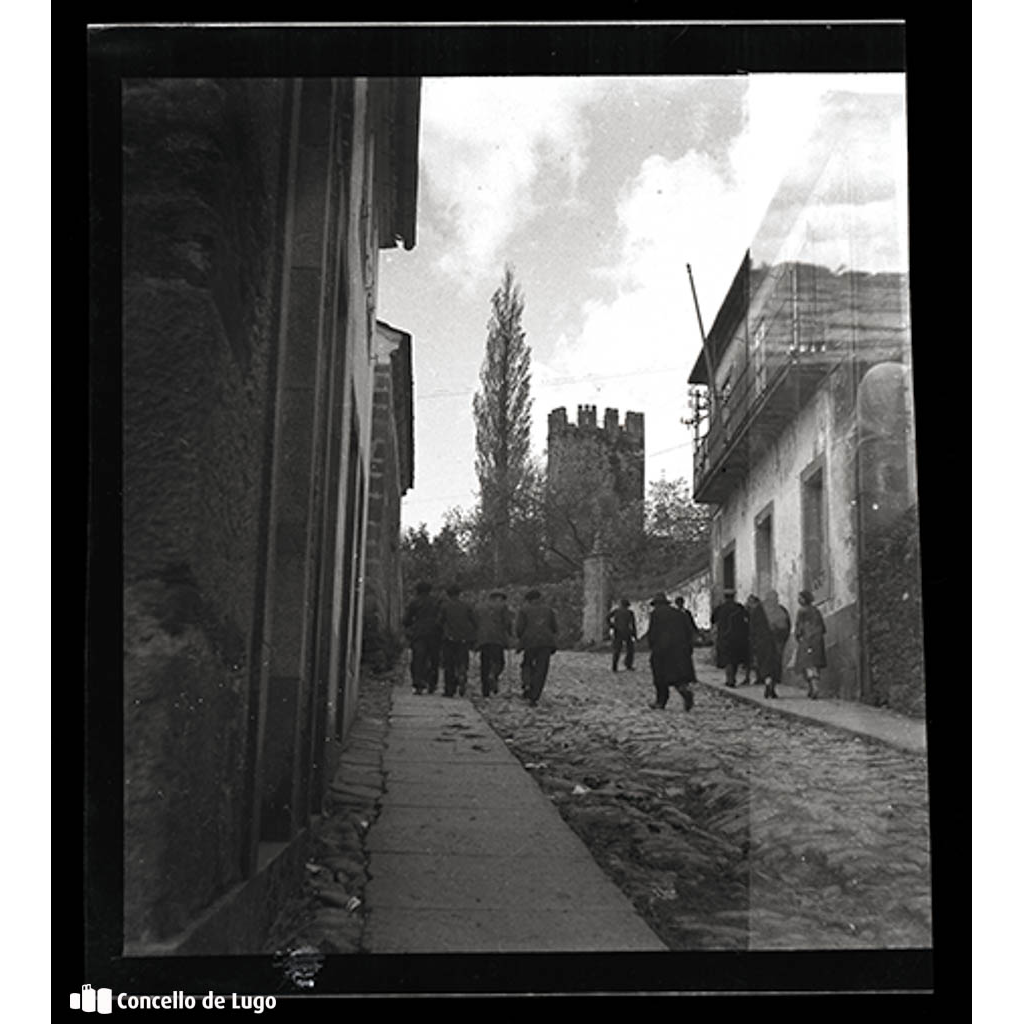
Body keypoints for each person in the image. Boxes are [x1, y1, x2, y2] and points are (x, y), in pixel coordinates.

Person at [645, 593, 696, 711]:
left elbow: (653, 632)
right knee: (678, 675)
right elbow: (689, 632)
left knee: (660, 676)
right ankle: (684, 691)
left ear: (657, 604)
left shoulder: (656, 614)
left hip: (662, 650)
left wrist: (652, 646)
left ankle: (661, 701)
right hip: (680, 650)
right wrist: (688, 648)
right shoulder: (680, 614)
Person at [515, 589, 559, 707]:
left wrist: (521, 639)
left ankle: (527, 682)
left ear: (528, 600)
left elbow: (519, 628)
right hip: (546, 642)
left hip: (529, 642)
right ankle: (534, 696)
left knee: (527, 663)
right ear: (539, 598)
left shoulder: (523, 610)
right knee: (542, 668)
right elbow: (554, 627)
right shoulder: (548, 610)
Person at [438, 584, 478, 697]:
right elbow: (475, 621)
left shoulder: (445, 606)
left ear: (448, 594)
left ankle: (449, 689)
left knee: (449, 664)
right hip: (464, 639)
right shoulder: (467, 606)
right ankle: (462, 673)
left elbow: (439, 622)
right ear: (459, 594)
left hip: (449, 638)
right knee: (463, 660)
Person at [402, 581, 442, 694]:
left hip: (419, 634)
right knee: (434, 658)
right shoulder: (436, 602)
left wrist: (409, 627)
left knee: (418, 658)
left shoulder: (414, 602)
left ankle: (418, 683)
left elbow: (406, 619)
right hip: (434, 633)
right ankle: (432, 683)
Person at [475, 590, 514, 696]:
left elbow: (475, 622)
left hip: (483, 639)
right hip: (497, 639)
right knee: (499, 662)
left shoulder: (480, 607)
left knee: (485, 664)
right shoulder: (502, 607)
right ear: (500, 599)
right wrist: (510, 634)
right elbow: (507, 623)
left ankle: (485, 691)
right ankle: (493, 675)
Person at [756, 589, 792, 699]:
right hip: (777, 643)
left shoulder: (759, 610)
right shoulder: (781, 610)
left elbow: (753, 627)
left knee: (765, 664)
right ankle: (772, 687)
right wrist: (783, 640)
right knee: (775, 665)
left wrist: (755, 642)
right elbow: (787, 627)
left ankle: (767, 683)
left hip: (763, 643)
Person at [711, 588, 749, 687]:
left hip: (724, 637)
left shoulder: (720, 608)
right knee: (734, 659)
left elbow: (713, 620)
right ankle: (732, 678)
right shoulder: (739, 607)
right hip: (738, 638)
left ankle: (730, 679)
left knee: (728, 659)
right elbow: (747, 619)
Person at [794, 589, 827, 699]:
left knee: (807, 665)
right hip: (818, 640)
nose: (798, 600)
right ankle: (813, 687)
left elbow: (799, 627)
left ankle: (813, 687)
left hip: (807, 640)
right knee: (815, 665)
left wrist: (798, 636)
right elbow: (822, 627)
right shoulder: (816, 611)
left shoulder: (801, 611)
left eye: (800, 597)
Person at [607, 598, 638, 672]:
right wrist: (635, 635)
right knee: (630, 649)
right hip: (627, 632)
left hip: (618, 631)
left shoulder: (616, 611)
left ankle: (614, 666)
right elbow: (633, 625)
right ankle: (628, 664)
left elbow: (607, 618)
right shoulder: (630, 612)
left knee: (617, 649)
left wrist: (612, 625)